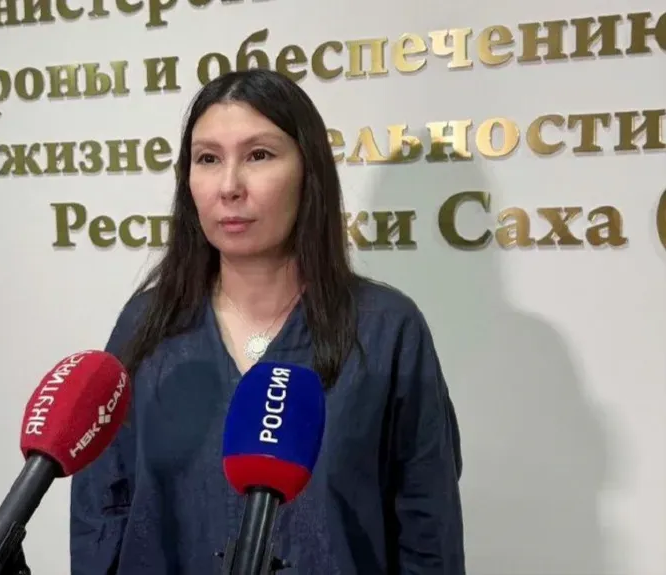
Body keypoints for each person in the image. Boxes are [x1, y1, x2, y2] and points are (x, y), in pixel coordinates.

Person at [70, 68, 464, 575]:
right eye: (208, 159)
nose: (229, 186)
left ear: (308, 171)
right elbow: (102, 510)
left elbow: (428, 533)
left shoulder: (386, 330)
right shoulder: (147, 323)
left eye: (259, 155)